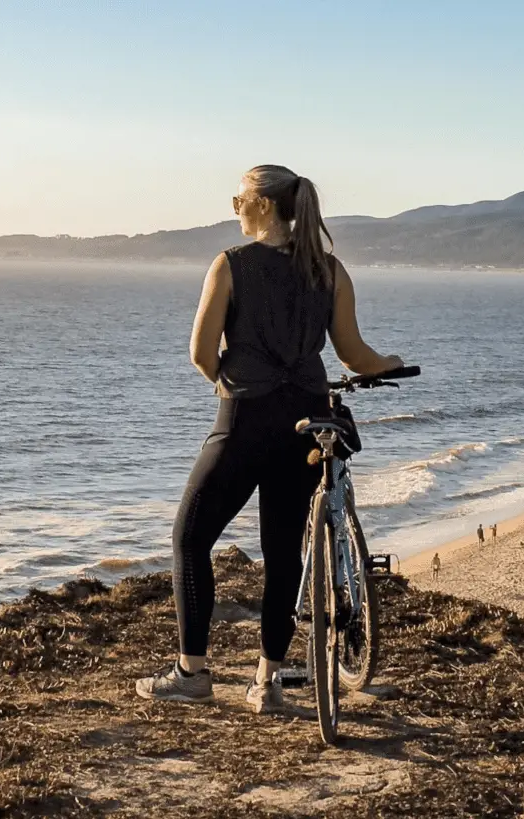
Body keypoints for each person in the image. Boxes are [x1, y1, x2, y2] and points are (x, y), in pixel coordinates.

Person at [135, 165, 404, 714]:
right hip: (305, 421)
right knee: (284, 554)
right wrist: (391, 364)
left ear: (261, 206)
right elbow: (353, 354)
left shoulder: (230, 265)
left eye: (238, 199)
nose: (234, 207)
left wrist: (231, 382)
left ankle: (192, 672)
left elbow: (200, 353)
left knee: (190, 537)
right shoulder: (328, 270)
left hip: (245, 420)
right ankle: (269, 682)